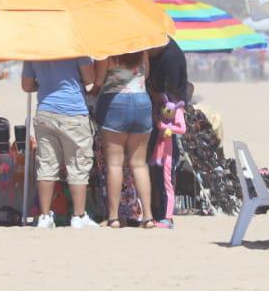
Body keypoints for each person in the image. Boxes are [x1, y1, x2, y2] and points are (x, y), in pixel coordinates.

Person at [21, 56, 97, 229]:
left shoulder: (34, 49)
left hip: (46, 110)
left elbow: (26, 85)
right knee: (78, 163)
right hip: (73, 110)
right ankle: (78, 215)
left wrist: (44, 85)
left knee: (47, 165)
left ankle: (45, 215)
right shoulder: (76, 47)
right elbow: (90, 78)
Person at [94, 52, 155, 228]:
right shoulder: (141, 48)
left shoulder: (106, 49)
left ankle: (113, 217)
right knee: (139, 164)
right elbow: (147, 73)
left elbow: (98, 80)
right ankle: (148, 217)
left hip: (115, 102)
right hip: (142, 102)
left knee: (114, 164)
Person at [146, 37, 191, 222]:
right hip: (161, 120)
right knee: (154, 168)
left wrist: (153, 93)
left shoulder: (172, 58)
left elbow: (170, 97)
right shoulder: (162, 53)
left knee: (164, 172)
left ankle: (166, 215)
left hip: (168, 126)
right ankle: (157, 210)